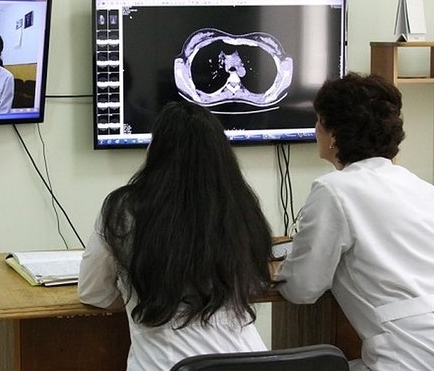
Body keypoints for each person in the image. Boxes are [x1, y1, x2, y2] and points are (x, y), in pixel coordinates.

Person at [78, 100, 275, 371]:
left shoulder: (125, 209)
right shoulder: (241, 207)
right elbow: (254, 284)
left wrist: (133, 294)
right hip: (251, 361)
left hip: (167, 364)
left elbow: (92, 292)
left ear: (155, 151)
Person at [277, 73, 434, 370]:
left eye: (319, 121)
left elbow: (302, 289)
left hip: (408, 357)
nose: (315, 130)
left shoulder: (334, 190)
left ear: (334, 135)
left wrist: (282, 268)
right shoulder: (422, 188)